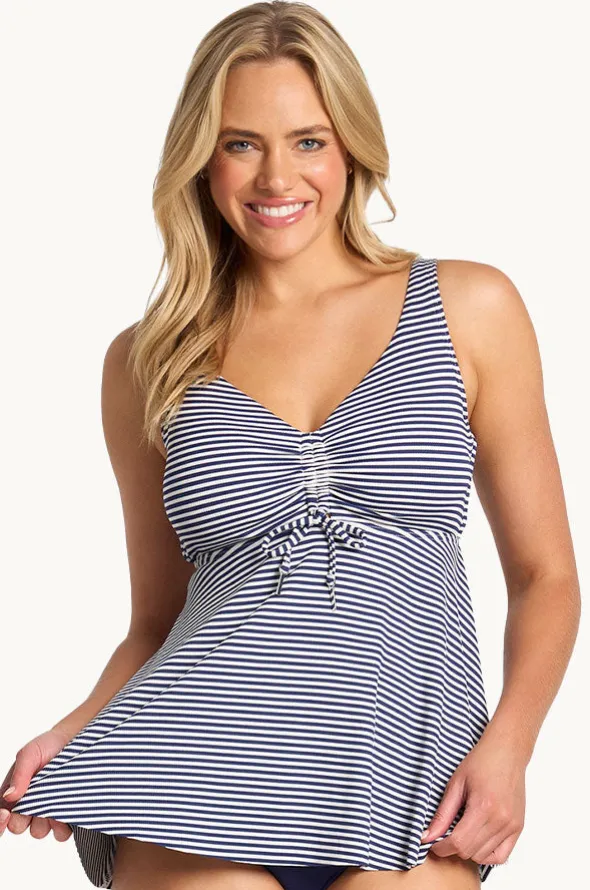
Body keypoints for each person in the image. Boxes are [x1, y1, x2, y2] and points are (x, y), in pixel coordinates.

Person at [1, 2, 580, 889]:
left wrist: (511, 746)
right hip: (190, 778)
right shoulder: (149, 360)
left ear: (351, 147)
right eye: (241, 143)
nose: (277, 176)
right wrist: (76, 727)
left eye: (308, 140)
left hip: (406, 779)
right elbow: (157, 620)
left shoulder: (470, 308)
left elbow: (546, 576)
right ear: (202, 158)